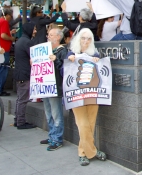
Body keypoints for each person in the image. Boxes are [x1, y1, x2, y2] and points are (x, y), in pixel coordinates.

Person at [67, 28, 107, 166]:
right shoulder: (71, 53)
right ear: (79, 39)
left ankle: (83, 153)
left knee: (90, 123)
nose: (86, 41)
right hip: (76, 96)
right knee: (83, 124)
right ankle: (93, 152)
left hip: (92, 94)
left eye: (89, 38)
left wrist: (98, 60)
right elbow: (63, 72)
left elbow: (101, 72)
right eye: (83, 38)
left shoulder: (94, 53)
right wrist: (70, 60)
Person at [39, 28, 67, 151]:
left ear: (57, 37)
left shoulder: (62, 51)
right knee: (49, 113)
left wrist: (56, 60)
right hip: (46, 86)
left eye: (50, 35)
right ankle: (52, 136)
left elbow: (65, 69)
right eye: (48, 34)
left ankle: (57, 139)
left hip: (56, 87)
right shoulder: (47, 50)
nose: (48, 37)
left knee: (56, 115)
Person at [13, 23, 37, 129]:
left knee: (19, 98)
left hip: (19, 73)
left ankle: (17, 120)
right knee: (23, 99)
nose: (35, 31)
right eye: (34, 29)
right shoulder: (27, 42)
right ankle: (21, 122)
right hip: (25, 73)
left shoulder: (20, 41)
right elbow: (34, 56)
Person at [0, 8, 17, 96]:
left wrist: (9, 32)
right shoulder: (4, 22)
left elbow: (0, 33)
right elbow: (3, 35)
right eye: (11, 16)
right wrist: (12, 38)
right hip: (4, 49)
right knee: (3, 69)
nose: (11, 18)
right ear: (7, 15)